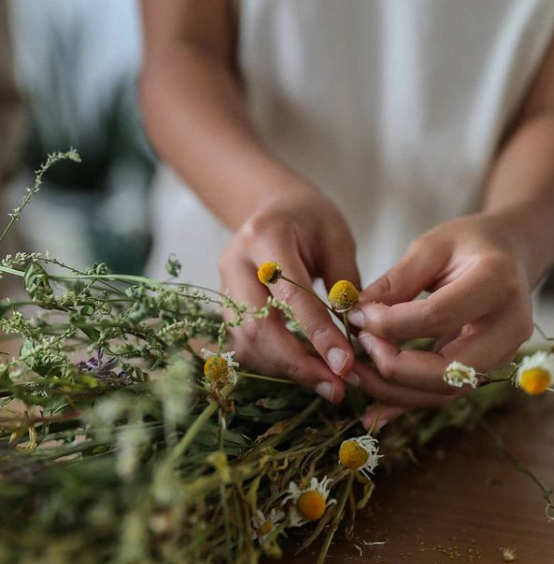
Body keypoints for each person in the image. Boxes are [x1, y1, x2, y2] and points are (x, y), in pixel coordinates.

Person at [140, 1, 554, 427]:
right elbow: (181, 49)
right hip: (206, 316)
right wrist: (262, 200)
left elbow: (547, 112)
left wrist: (516, 234)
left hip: (466, 343)